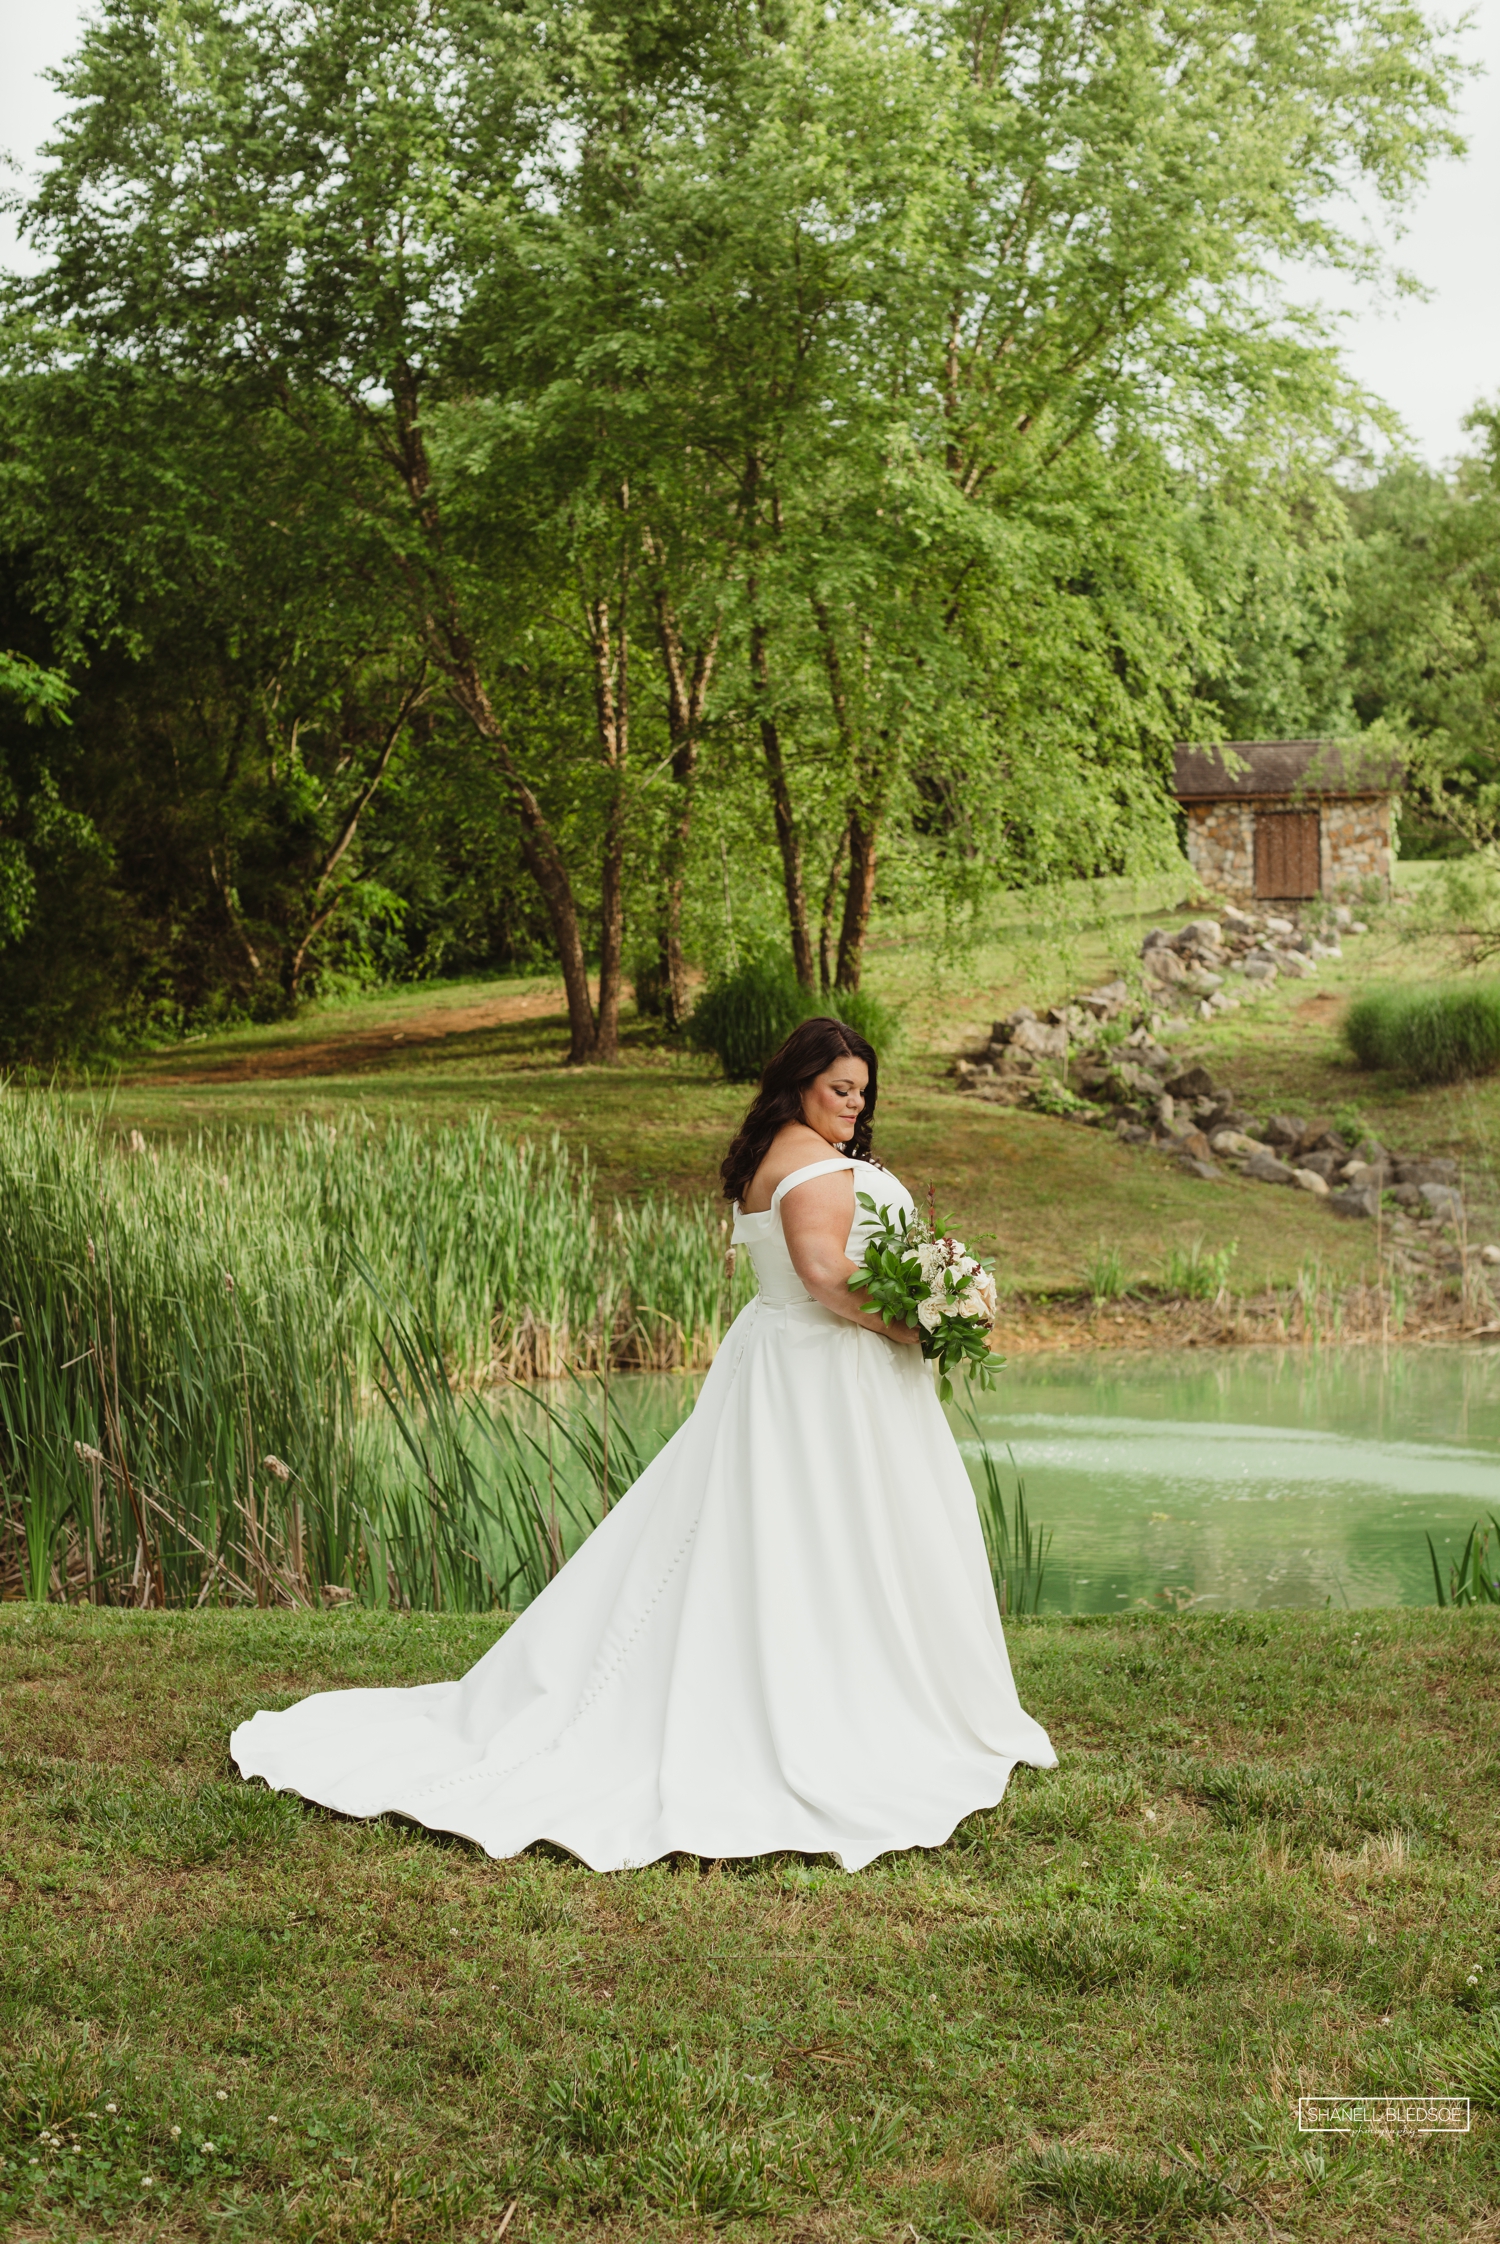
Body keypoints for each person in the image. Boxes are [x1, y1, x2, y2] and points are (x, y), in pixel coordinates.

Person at [231, 1016, 1057, 1869]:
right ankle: (834, 1709)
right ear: (800, 1084)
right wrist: (923, 1322)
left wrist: (938, 1291)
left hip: (800, 1366)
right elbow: (824, 1276)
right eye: (840, 1088)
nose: (855, 1103)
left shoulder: (784, 1150)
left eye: (862, 1090)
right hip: (825, 1371)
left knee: (796, 1535)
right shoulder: (810, 1164)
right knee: (824, 1533)